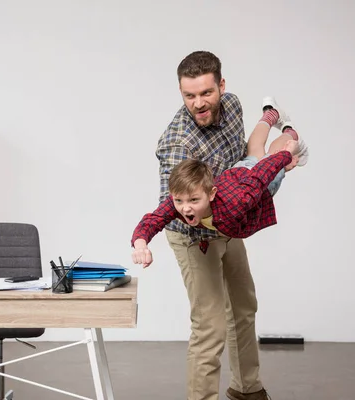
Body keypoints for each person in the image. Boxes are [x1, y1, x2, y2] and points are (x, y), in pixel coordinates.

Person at [132, 50, 308, 400]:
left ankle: (246, 388)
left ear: (221, 86)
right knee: (209, 324)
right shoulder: (177, 144)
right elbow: (173, 207)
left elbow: (243, 157)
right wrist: (141, 241)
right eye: (189, 95)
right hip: (193, 234)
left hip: (227, 219)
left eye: (206, 93)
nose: (198, 103)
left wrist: (269, 166)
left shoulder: (234, 107)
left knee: (243, 306)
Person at [131, 102, 305, 258]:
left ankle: (291, 135)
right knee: (254, 150)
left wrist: (285, 156)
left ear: (211, 193)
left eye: (194, 200)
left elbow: (260, 176)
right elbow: (154, 219)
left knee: (272, 158)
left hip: (256, 187)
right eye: (179, 201)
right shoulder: (180, 199)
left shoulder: (237, 202)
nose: (185, 208)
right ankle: (270, 115)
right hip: (237, 173)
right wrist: (141, 244)